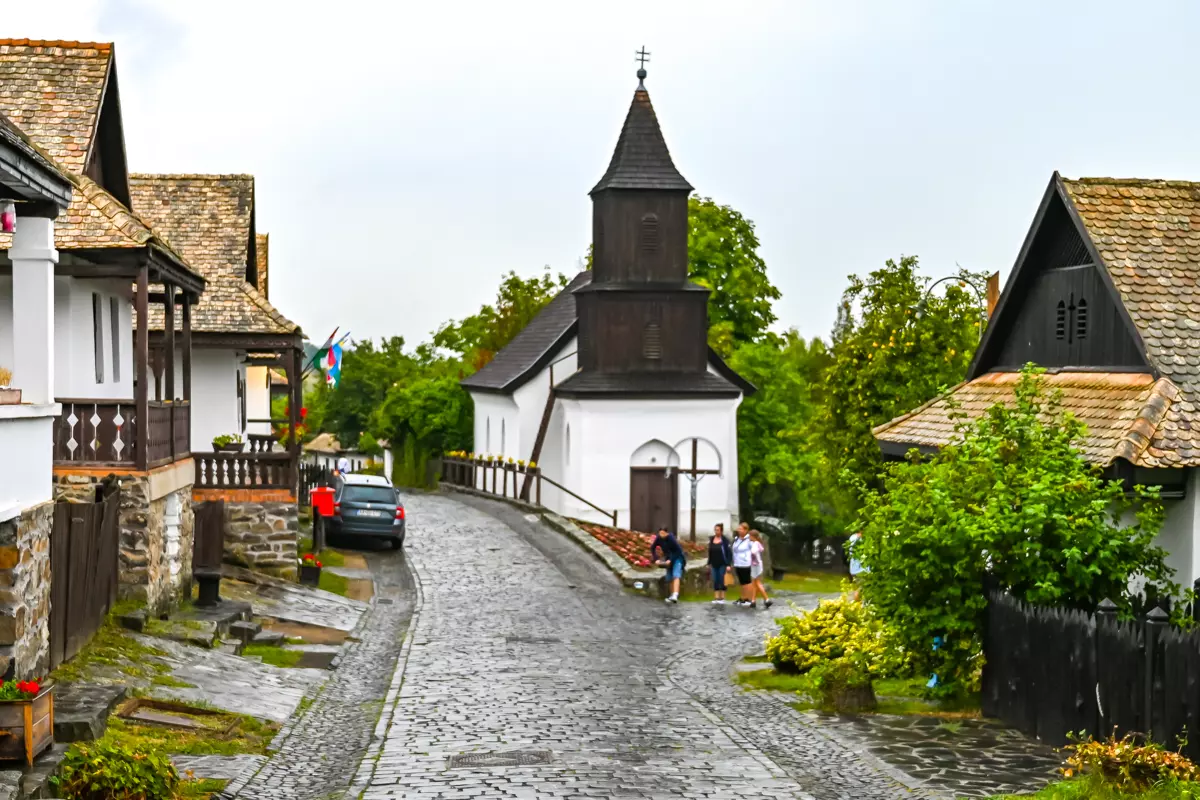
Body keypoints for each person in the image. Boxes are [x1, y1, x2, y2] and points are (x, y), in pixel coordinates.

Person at [650, 526, 686, 604]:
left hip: (677, 558)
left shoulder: (671, 539)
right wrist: (656, 559)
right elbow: (652, 548)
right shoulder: (658, 538)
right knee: (669, 577)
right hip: (668, 558)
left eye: (663, 533)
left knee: (676, 575)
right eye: (660, 533)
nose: (661, 535)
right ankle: (671, 596)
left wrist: (671, 560)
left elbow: (678, 551)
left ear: (667, 533)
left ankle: (675, 595)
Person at [706, 523, 733, 604]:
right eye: (715, 530)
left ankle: (722, 597)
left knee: (722, 580)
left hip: (722, 563)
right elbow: (710, 552)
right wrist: (708, 563)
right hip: (714, 563)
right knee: (715, 579)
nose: (716, 531)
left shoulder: (725, 541)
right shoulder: (712, 540)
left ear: (721, 531)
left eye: (718, 530)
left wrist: (728, 564)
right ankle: (716, 597)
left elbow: (729, 553)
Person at [731, 522, 755, 607]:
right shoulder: (737, 539)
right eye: (738, 529)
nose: (739, 530)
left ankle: (749, 599)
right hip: (738, 563)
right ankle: (743, 598)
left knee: (747, 581)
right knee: (742, 582)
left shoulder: (749, 540)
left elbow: (754, 550)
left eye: (741, 529)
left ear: (745, 530)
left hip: (745, 563)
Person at [748, 530, 773, 610]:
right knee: (755, 583)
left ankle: (766, 599)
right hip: (757, 565)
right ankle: (753, 601)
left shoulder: (755, 544)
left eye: (750, 536)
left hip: (755, 565)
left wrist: (750, 553)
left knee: (757, 582)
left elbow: (753, 551)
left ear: (753, 536)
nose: (749, 537)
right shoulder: (757, 543)